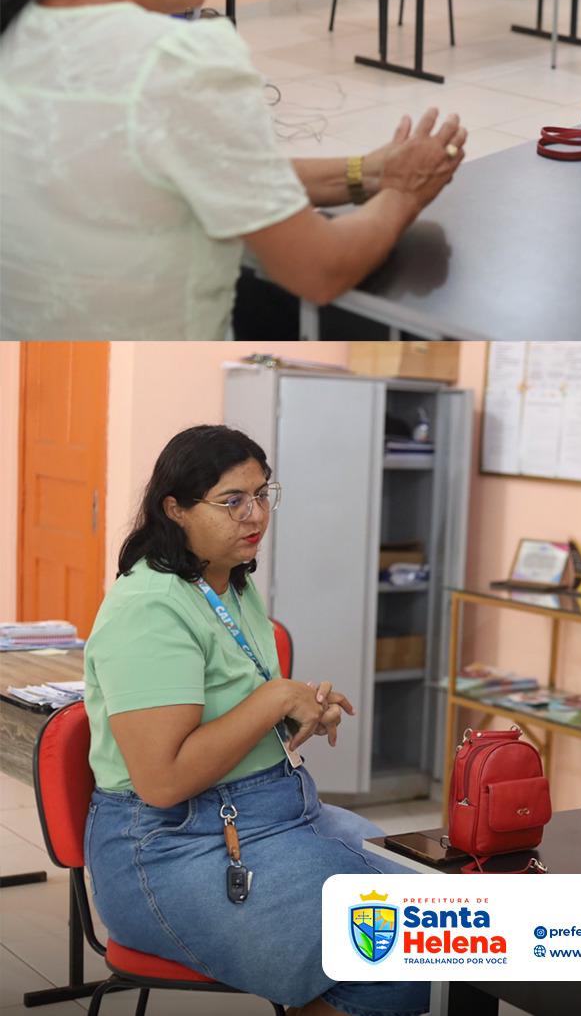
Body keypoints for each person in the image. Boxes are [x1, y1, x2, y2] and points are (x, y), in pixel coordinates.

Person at [0, 0, 466, 340]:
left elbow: (206, 165)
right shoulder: (179, 60)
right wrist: (404, 192)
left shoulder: (17, 33)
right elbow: (318, 269)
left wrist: (366, 171)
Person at [83, 425, 425, 1016]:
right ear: (175, 509)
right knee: (400, 959)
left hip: (276, 816)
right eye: (232, 500)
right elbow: (161, 781)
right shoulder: (149, 608)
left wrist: (297, 708)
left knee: (452, 926)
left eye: (263, 494)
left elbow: (234, 705)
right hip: (173, 846)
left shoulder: (230, 583)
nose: (256, 514)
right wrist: (273, 700)